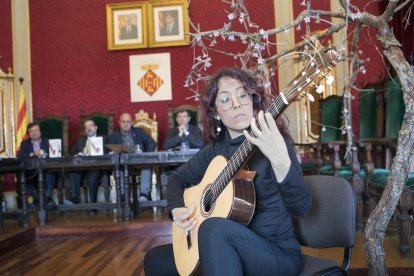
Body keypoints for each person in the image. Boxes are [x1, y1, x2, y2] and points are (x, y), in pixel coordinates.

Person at [144, 68, 312, 275]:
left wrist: (281, 161)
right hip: (224, 249)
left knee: (214, 229)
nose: (236, 103)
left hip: (276, 255)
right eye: (225, 99)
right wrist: (176, 208)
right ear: (215, 112)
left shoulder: (274, 140)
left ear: (253, 101)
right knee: (155, 260)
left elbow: (301, 208)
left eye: (242, 95)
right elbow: (176, 178)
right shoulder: (216, 150)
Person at [108, 113, 156, 201]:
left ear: (131, 123)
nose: (125, 124)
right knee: (118, 168)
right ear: (119, 123)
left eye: (128, 122)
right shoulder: (114, 135)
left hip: (139, 162)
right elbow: (109, 150)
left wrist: (146, 155)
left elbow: (152, 142)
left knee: (146, 165)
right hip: (123, 163)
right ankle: (123, 195)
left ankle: (144, 194)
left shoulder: (139, 131)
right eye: (123, 122)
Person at [17, 122, 56, 209]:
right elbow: (20, 156)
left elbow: (56, 154)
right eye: (31, 131)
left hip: (46, 169)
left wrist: (46, 154)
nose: (34, 133)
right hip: (31, 170)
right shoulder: (25, 143)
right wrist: (33, 154)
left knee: (49, 175)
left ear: (40, 132)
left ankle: (48, 199)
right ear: (29, 133)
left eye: (36, 130)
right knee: (25, 175)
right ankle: (35, 200)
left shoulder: (47, 142)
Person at [68, 120, 106, 205]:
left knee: (92, 178)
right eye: (86, 127)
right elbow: (72, 152)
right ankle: (75, 199)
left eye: (90, 126)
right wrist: (80, 153)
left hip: (96, 167)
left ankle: (93, 204)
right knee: (73, 172)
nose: (88, 129)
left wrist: (99, 151)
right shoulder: (81, 140)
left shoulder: (103, 138)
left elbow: (108, 151)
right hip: (81, 167)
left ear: (96, 128)